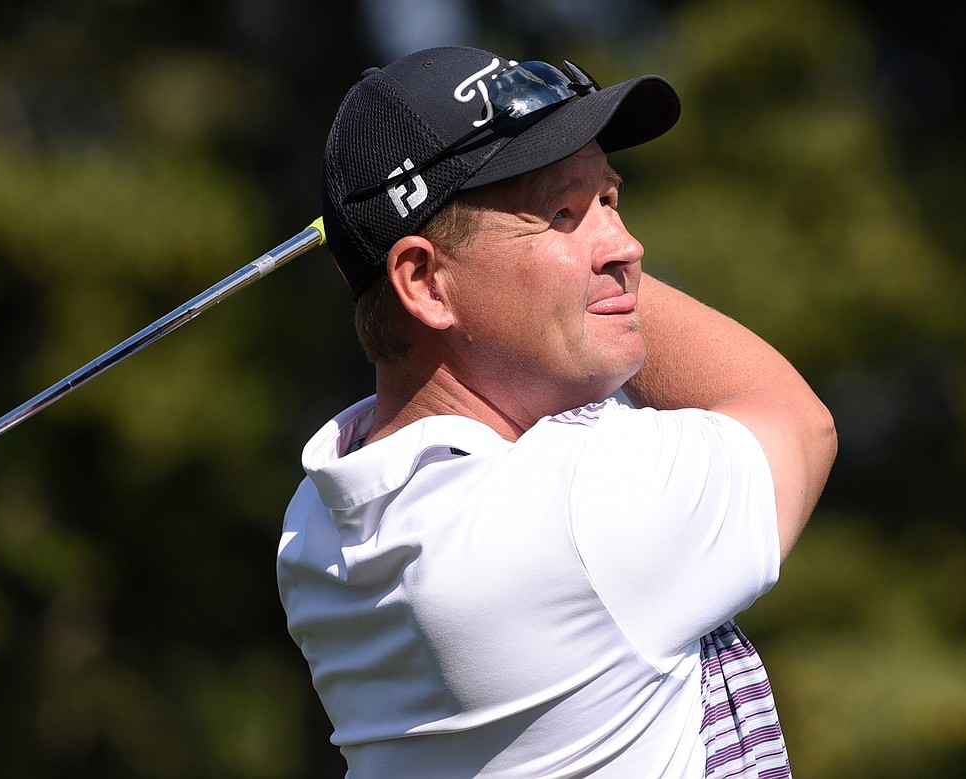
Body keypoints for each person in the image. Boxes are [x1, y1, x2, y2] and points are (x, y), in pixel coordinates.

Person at [277, 44, 837, 779]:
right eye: (561, 213)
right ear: (423, 280)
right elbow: (797, 419)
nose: (629, 246)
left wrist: (580, 264)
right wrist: (612, 289)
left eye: (610, 197)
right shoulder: (582, 507)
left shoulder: (316, 526)